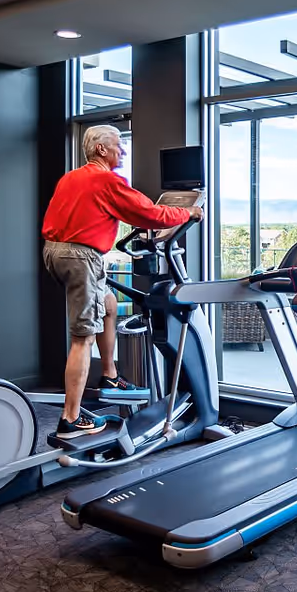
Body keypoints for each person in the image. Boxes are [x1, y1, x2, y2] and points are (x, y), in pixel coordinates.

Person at [42, 125, 201, 438]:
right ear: (102, 149)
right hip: (80, 257)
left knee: (109, 304)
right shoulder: (106, 180)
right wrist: (190, 212)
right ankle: (70, 420)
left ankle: (110, 375)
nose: (123, 151)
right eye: (118, 145)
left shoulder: (71, 178)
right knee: (83, 337)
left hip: (55, 253)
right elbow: (151, 215)